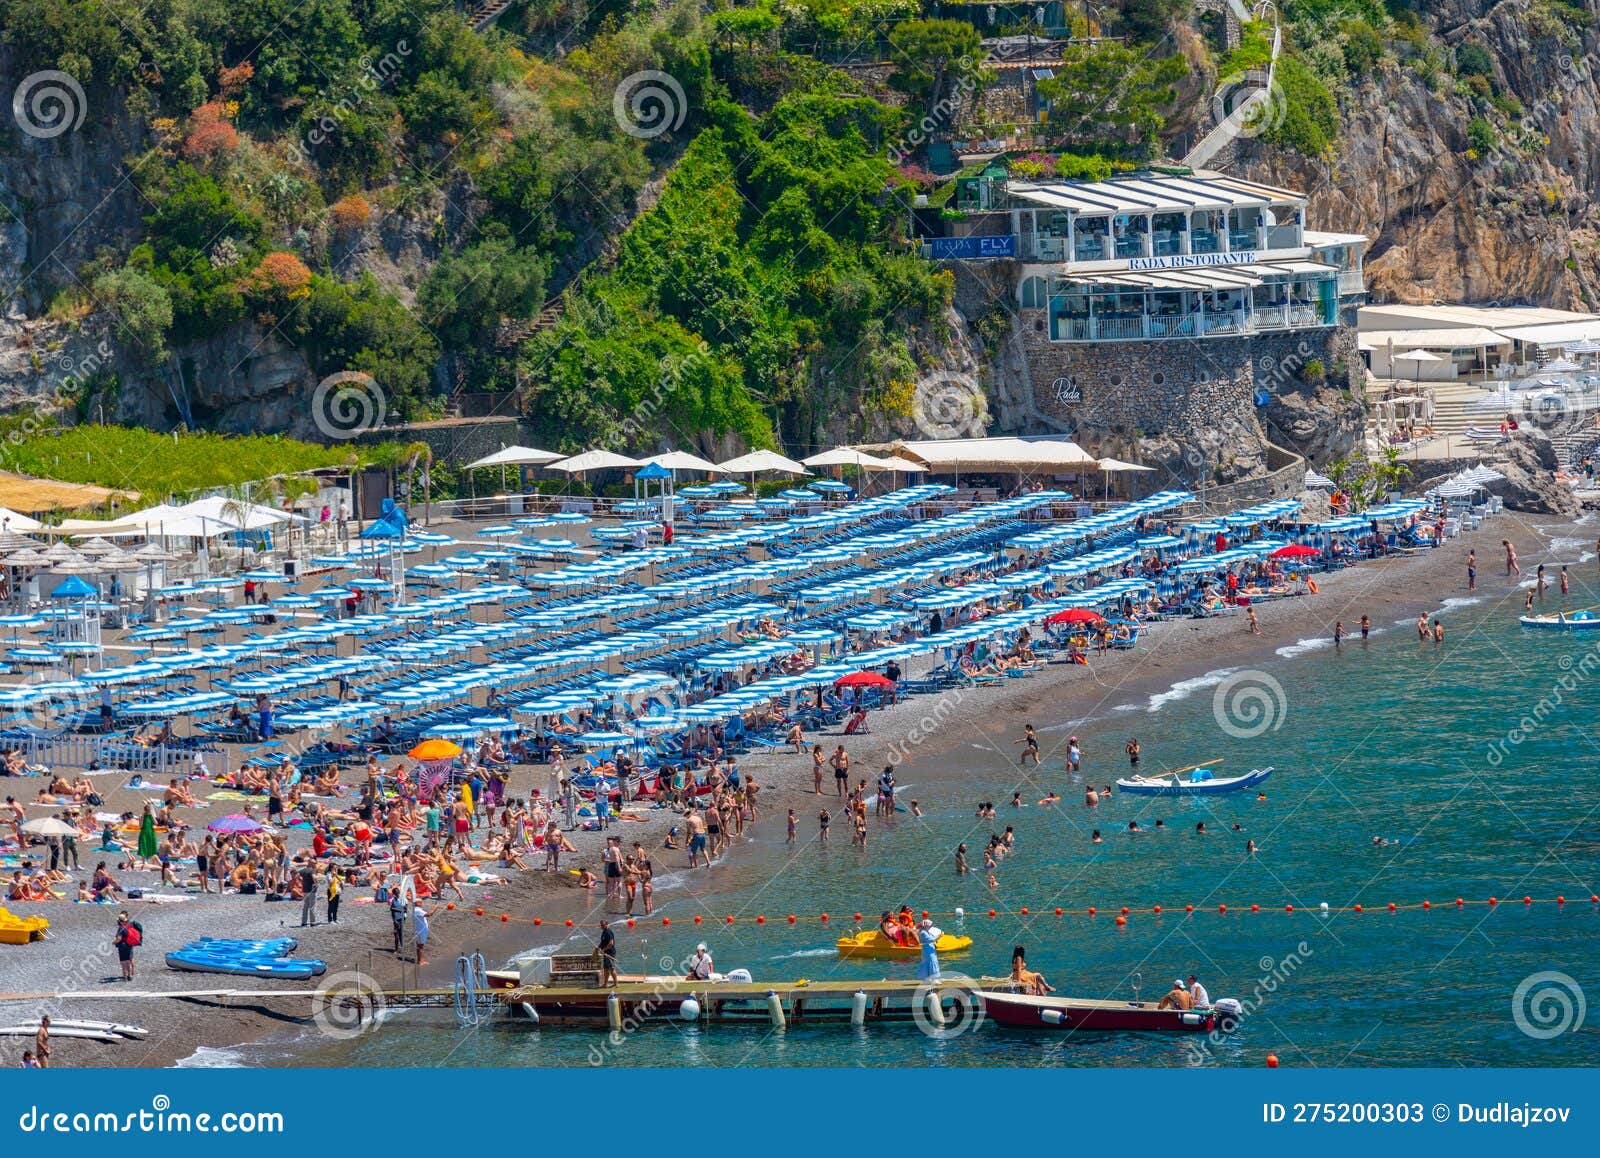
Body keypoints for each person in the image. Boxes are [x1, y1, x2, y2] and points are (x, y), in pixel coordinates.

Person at [113, 911, 140, 981]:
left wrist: (113, 942)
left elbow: (119, 939)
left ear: (120, 921)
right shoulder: (130, 925)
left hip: (122, 946)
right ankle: (130, 975)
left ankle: (125, 977)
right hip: (129, 944)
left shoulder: (121, 928)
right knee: (129, 960)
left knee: (123, 962)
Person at [916, 918, 943, 983]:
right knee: (931, 962)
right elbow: (930, 939)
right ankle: (932, 979)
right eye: (930, 926)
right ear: (926, 926)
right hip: (928, 949)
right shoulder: (923, 932)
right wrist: (938, 936)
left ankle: (930, 978)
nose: (931, 927)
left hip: (929, 949)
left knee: (930, 962)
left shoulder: (925, 931)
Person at [597, 920, 619, 987]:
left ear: (607, 924)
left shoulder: (608, 932)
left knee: (611, 969)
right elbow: (602, 942)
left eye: (603, 925)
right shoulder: (604, 932)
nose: (602, 926)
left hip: (610, 953)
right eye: (601, 925)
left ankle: (616, 983)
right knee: (606, 969)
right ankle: (605, 984)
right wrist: (598, 947)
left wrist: (603, 949)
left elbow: (611, 943)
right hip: (605, 953)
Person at [299, 862, 318, 927]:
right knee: (312, 906)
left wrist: (302, 882)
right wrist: (315, 883)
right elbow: (314, 877)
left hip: (305, 890)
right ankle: (313, 922)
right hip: (312, 891)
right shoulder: (312, 870)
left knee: (305, 906)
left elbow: (298, 876)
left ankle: (304, 922)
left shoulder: (303, 870)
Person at [412, 902, 431, 967]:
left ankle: (421, 960)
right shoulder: (417, 910)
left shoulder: (419, 909)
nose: (421, 903)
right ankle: (420, 961)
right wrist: (435, 908)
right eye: (419, 902)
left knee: (421, 946)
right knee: (420, 946)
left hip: (421, 930)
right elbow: (429, 914)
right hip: (420, 931)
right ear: (416, 903)